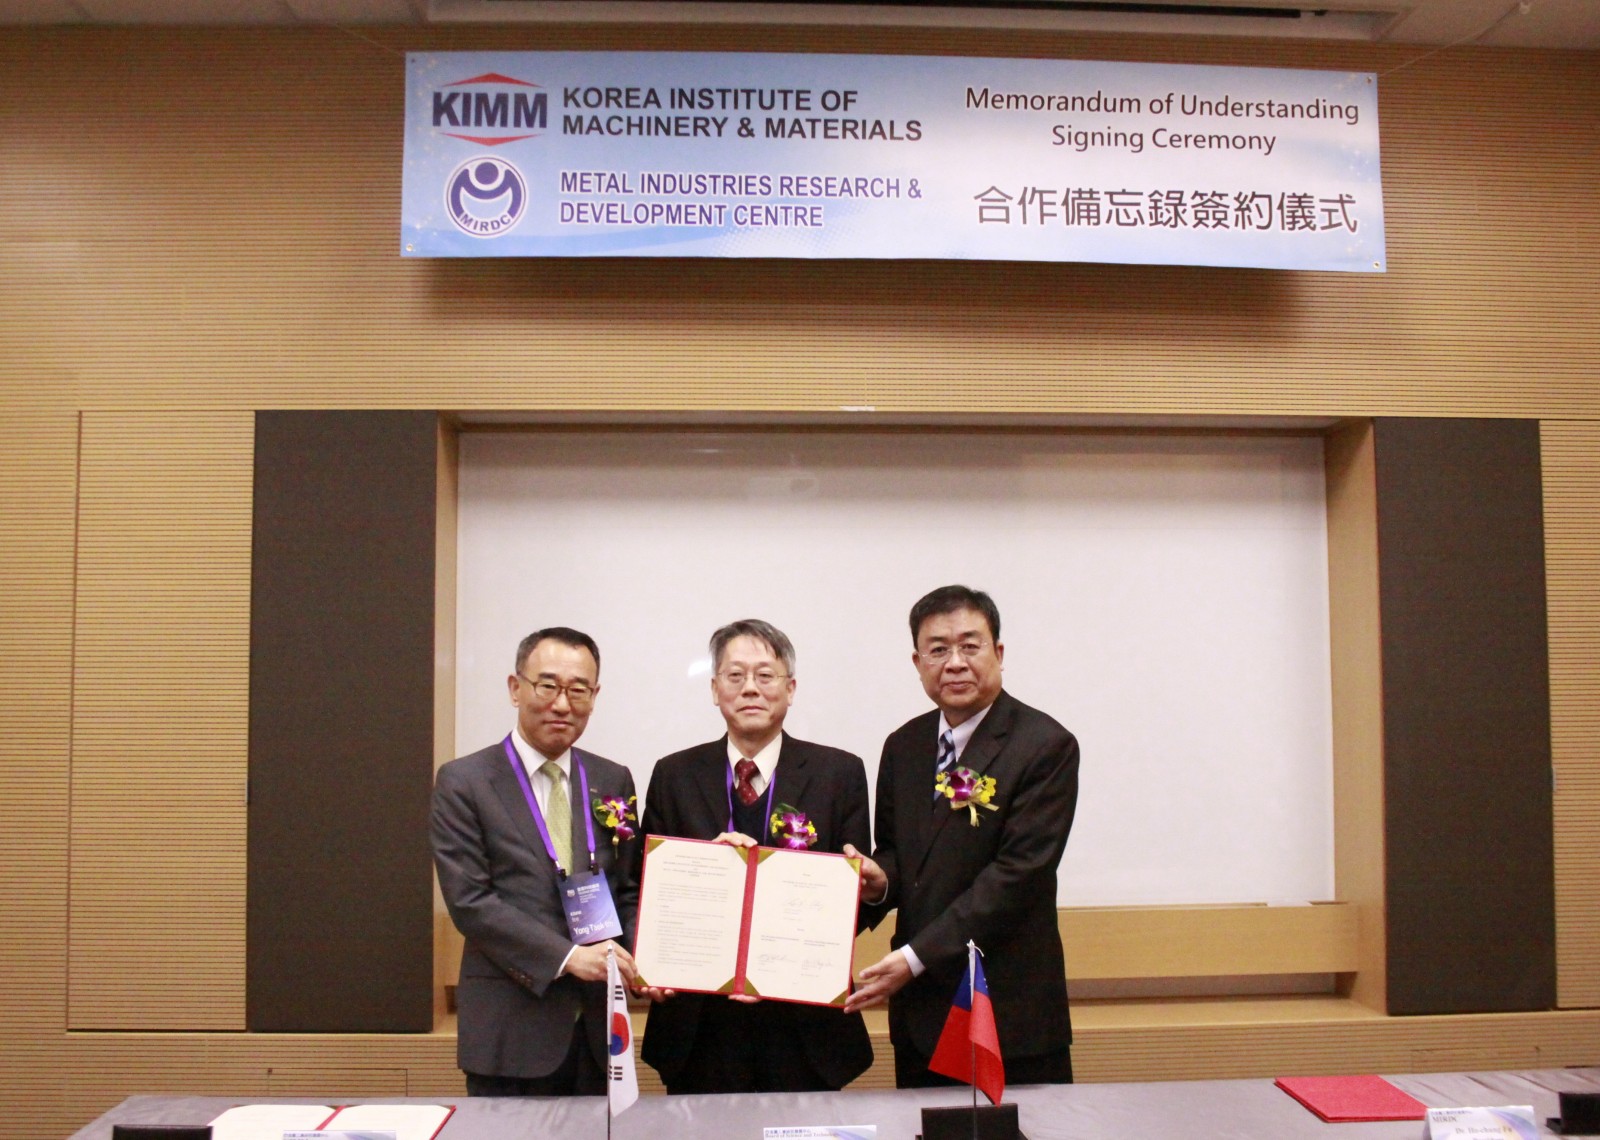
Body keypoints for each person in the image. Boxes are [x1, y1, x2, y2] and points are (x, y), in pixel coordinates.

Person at [845, 586, 1080, 1087]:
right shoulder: (904, 745)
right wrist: (880, 882)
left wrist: (914, 959)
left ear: (998, 653)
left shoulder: (1045, 746)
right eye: (938, 649)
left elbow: (1018, 875)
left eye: (970, 646)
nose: (954, 663)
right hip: (922, 1017)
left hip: (1007, 1012)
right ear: (917, 662)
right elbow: (900, 853)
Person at [640, 619, 874, 1094]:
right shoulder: (673, 775)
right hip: (699, 1025)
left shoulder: (840, 773)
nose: (750, 688)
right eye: (735, 675)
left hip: (805, 1025)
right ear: (715, 689)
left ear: (790, 689)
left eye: (765, 675)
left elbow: (858, 904)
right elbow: (649, 891)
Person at [431, 627, 641, 1096]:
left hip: (600, 1031)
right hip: (511, 1028)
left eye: (578, 690)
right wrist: (569, 958)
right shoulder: (465, 782)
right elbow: (471, 902)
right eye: (548, 685)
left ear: (594, 696)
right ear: (515, 688)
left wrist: (648, 960)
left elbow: (627, 887)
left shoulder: (612, 779)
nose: (562, 704)